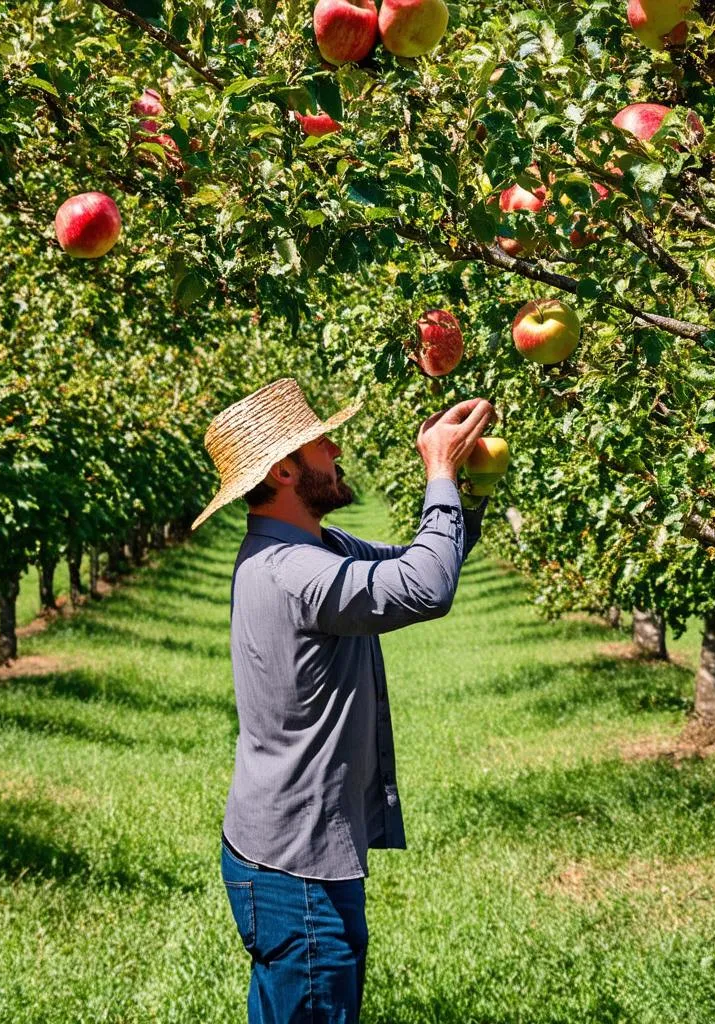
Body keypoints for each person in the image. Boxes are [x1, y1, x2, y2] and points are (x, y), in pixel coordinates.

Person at [191, 377, 494, 1023]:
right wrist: (435, 469)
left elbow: (433, 559)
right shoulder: (294, 571)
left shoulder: (314, 549)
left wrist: (467, 486)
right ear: (283, 469)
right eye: (319, 442)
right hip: (293, 867)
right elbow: (426, 590)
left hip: (297, 853)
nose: (335, 449)